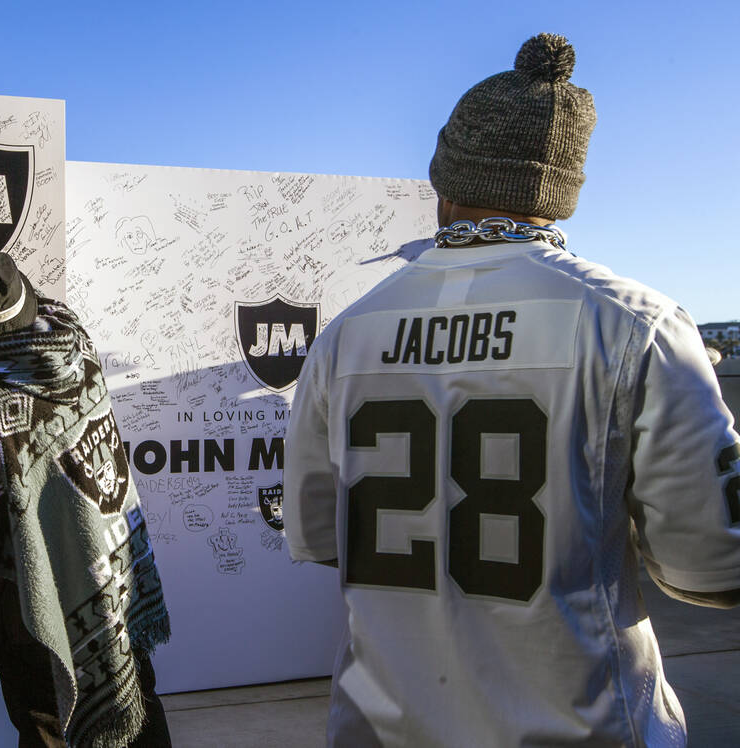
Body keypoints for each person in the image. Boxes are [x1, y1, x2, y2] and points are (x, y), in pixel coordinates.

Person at [283, 33, 740, 747]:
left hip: (384, 728)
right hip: (582, 727)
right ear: (562, 193)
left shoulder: (348, 334)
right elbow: (710, 566)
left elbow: (318, 538)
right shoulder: (635, 325)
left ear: (445, 182)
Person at [0, 224, 172, 748]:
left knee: (46, 716)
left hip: (33, 596)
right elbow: (45, 312)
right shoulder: (78, 348)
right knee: (137, 697)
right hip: (109, 567)